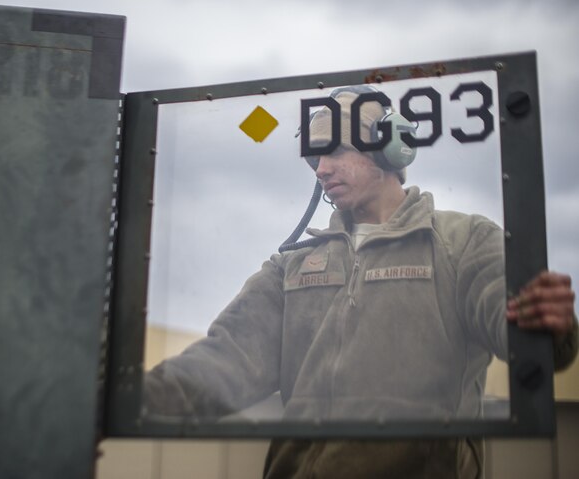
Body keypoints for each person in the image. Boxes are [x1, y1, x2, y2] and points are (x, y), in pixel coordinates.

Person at [142, 87, 578, 478]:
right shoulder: (290, 268)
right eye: (315, 157)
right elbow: (219, 362)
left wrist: (546, 321)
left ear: (389, 150)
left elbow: (521, 331)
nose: (321, 169)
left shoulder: (462, 244)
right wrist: (122, 398)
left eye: (334, 151)